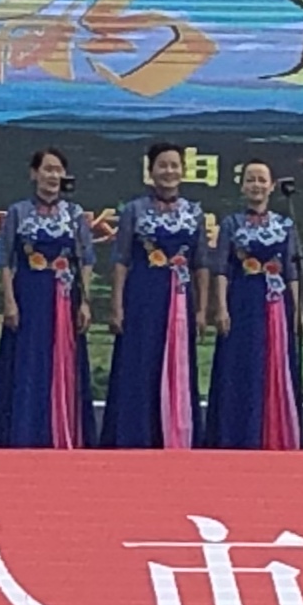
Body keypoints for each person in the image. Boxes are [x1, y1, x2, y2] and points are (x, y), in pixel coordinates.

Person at [0, 146, 96, 447]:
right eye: (47, 169)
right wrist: (9, 302)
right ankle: (23, 434)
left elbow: (86, 260)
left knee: (64, 362)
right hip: (29, 295)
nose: (53, 176)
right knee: (27, 363)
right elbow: (4, 260)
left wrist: (85, 302)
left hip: (65, 296)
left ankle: (64, 431)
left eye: (58, 170)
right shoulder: (18, 212)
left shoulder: (74, 214)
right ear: (34, 174)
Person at [102, 142, 208, 448]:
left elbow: (202, 263)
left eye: (174, 165)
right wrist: (117, 305)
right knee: (139, 362)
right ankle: (135, 435)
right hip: (142, 296)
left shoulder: (194, 212)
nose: (168, 171)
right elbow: (121, 260)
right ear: (150, 171)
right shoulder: (134, 210)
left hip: (180, 298)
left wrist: (202, 309)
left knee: (178, 364)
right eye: (162, 165)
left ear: (183, 171)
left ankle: (176, 433)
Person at [204, 160, 303, 449]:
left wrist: (297, 309)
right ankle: (236, 434)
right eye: (250, 179)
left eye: (262, 180)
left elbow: (292, 271)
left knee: (275, 364)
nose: (256, 185)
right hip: (242, 301)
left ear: (272, 186)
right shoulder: (231, 224)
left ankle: (276, 434)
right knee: (240, 365)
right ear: (242, 186)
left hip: (276, 303)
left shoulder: (285, 225)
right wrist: (221, 307)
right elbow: (221, 268)